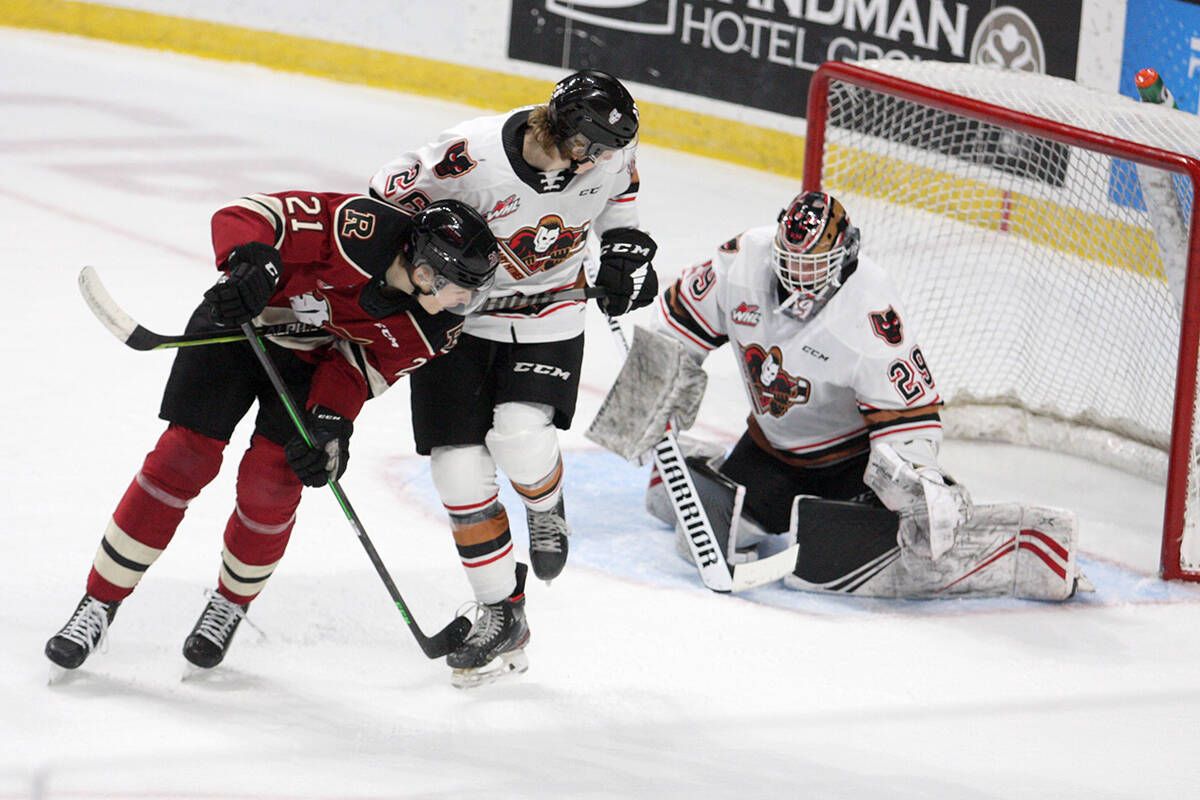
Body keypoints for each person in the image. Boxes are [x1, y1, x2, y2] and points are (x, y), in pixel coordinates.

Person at [45, 192, 500, 673]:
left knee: (272, 484)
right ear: (426, 272)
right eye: (461, 290)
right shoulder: (358, 228)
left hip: (310, 366)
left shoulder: (436, 328)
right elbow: (247, 215)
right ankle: (98, 603)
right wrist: (250, 262)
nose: (466, 304)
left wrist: (331, 421)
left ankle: (231, 603)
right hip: (237, 326)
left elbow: (359, 366)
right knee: (182, 458)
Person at [368, 69, 658, 684]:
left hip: (550, 310)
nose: (602, 160)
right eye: (593, 147)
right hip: (458, 318)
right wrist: (395, 278)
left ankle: (545, 503)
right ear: (560, 129)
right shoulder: (467, 155)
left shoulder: (610, 155)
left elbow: (620, 206)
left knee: (521, 437)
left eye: (610, 149)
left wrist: (629, 255)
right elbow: (382, 199)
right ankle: (504, 614)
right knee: (456, 471)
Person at [647, 191, 984, 594]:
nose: (795, 274)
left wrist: (920, 480)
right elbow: (677, 327)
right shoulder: (743, 260)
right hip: (772, 451)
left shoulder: (870, 308)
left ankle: (900, 523)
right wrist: (648, 405)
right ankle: (703, 473)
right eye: (788, 259)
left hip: (851, 469)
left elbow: (906, 417)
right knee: (703, 539)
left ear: (844, 256)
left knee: (835, 566)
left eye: (812, 265)